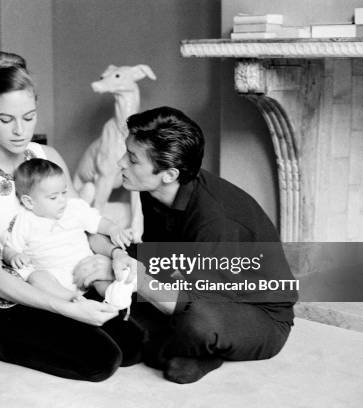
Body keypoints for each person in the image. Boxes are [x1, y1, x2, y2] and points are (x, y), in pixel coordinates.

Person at [0, 51, 142, 382]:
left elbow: (81, 223)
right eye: (7, 119)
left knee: (133, 347)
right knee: (101, 361)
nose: (21, 131)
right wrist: (69, 308)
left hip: (62, 275)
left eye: (29, 116)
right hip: (4, 296)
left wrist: (115, 252)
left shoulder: (46, 156)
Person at [75, 106, 298, 384]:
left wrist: (123, 274)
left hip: (252, 311)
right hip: (187, 277)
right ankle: (171, 345)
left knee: (195, 322)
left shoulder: (216, 220)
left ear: (168, 174)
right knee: (104, 282)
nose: (121, 163)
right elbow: (158, 260)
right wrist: (118, 256)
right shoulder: (153, 189)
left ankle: (187, 346)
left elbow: (189, 302)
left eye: (132, 159)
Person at [2, 158, 135, 306]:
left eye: (64, 193)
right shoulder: (25, 221)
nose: (62, 200)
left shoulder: (74, 208)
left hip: (86, 266)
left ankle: (115, 293)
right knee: (36, 278)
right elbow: (9, 247)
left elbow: (97, 222)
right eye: (53, 197)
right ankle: (72, 299)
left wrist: (113, 229)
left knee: (100, 275)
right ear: (29, 202)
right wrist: (14, 255)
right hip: (55, 277)